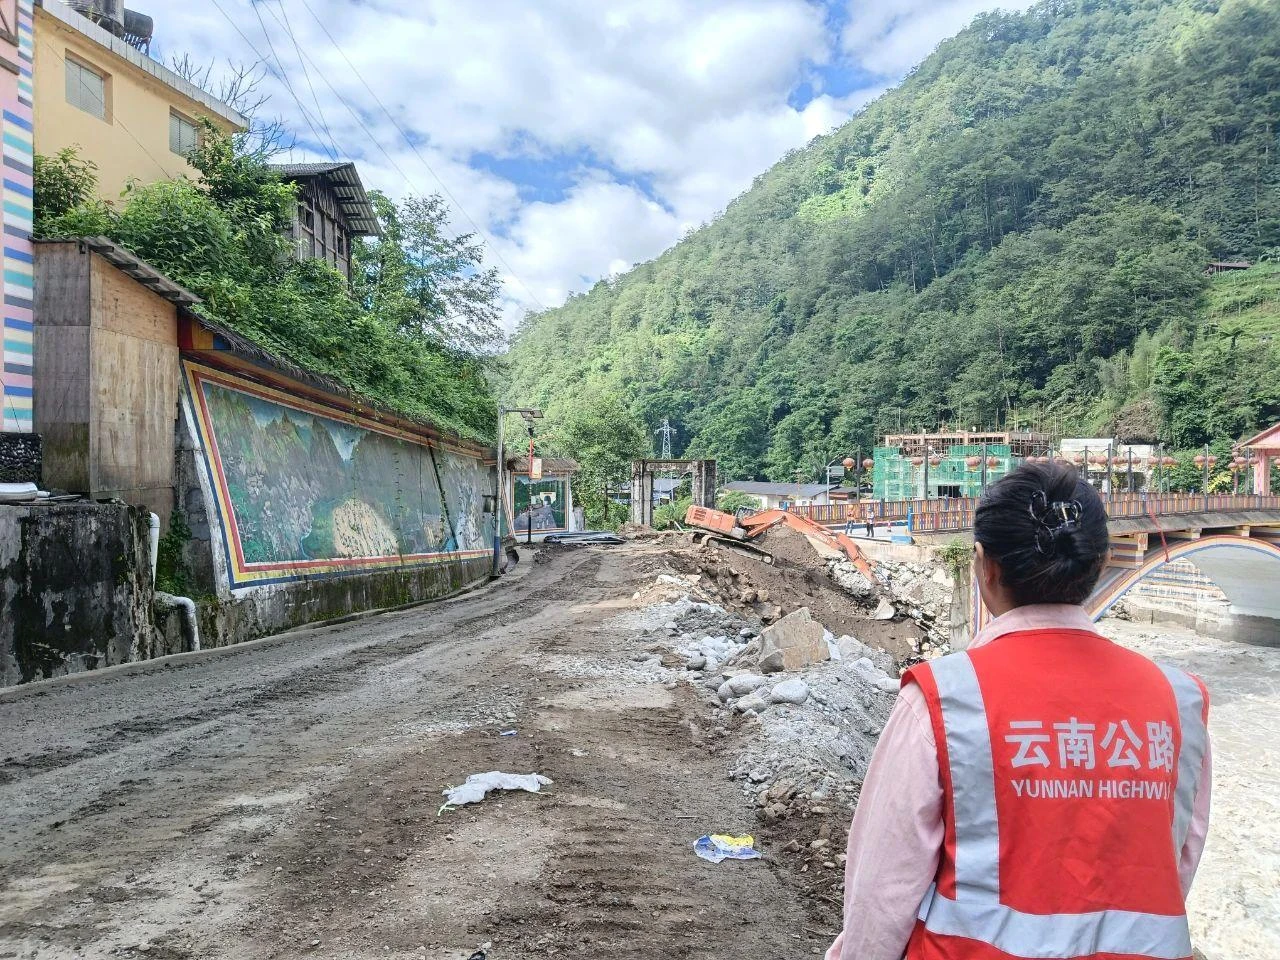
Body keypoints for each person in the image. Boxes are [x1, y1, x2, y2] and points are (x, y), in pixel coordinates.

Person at [826, 461, 1211, 960]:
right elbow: (1176, 865)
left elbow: (882, 891)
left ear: (985, 565)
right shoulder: (1180, 702)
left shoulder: (945, 700)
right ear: (1099, 564)